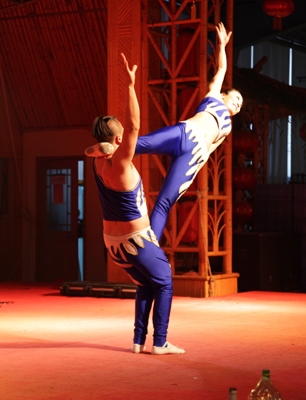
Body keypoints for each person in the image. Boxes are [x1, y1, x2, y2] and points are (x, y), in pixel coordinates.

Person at [86, 22, 242, 241]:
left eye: (240, 105)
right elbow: (222, 69)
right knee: (137, 144)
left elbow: (211, 150)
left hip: (194, 155)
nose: (238, 103)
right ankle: (103, 150)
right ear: (224, 94)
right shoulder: (214, 95)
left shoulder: (228, 127)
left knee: (164, 202)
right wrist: (222, 46)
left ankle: (151, 245)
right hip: (184, 133)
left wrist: (193, 169)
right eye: (236, 98)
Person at [91, 53, 184, 355]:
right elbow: (133, 125)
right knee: (165, 282)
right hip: (136, 240)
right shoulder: (119, 162)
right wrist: (131, 85)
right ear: (118, 140)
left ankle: (137, 341)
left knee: (145, 284)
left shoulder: (97, 162)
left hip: (112, 243)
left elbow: (106, 142)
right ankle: (160, 342)